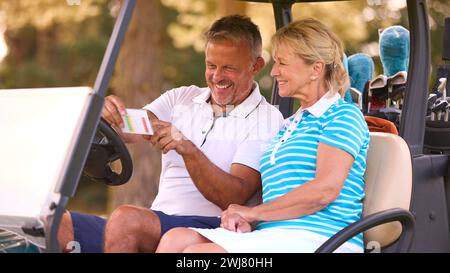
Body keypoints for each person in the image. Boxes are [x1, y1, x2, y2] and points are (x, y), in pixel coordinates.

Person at [57, 15, 284, 253]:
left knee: (126, 219)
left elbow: (234, 197)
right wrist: (110, 115)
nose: (217, 77)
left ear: (256, 66)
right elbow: (134, 128)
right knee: (55, 223)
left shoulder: (266, 119)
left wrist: (188, 149)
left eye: (228, 68)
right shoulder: (183, 97)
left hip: (211, 229)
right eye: (211, 66)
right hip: (158, 221)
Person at [155, 18, 370, 253]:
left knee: (199, 256)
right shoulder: (290, 125)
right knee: (175, 240)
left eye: (282, 63)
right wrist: (249, 219)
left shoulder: (342, 116)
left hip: (321, 239)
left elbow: (324, 191)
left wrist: (253, 213)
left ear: (315, 69)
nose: (274, 71)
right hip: (274, 237)